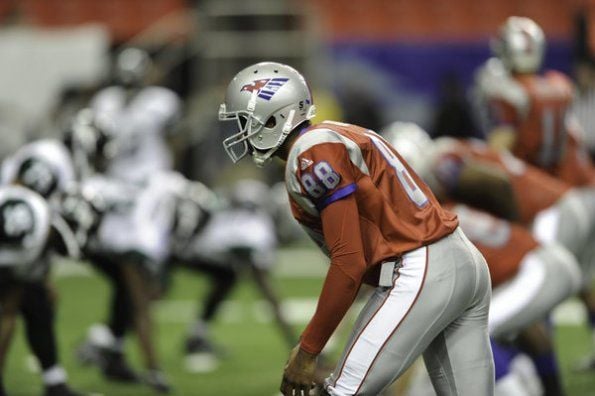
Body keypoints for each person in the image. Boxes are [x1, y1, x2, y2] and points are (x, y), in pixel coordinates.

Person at [218, 62, 494, 396]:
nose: (241, 131)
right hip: (462, 260)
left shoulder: (310, 153)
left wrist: (308, 350)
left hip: (420, 268)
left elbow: (349, 260)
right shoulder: (333, 135)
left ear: (273, 117)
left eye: (244, 120)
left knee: (342, 392)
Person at [0, 182, 81, 396]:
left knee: (38, 304)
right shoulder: (36, 227)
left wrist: (44, 281)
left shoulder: (38, 214)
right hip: (10, 258)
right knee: (7, 315)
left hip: (13, 252)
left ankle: (54, 381)